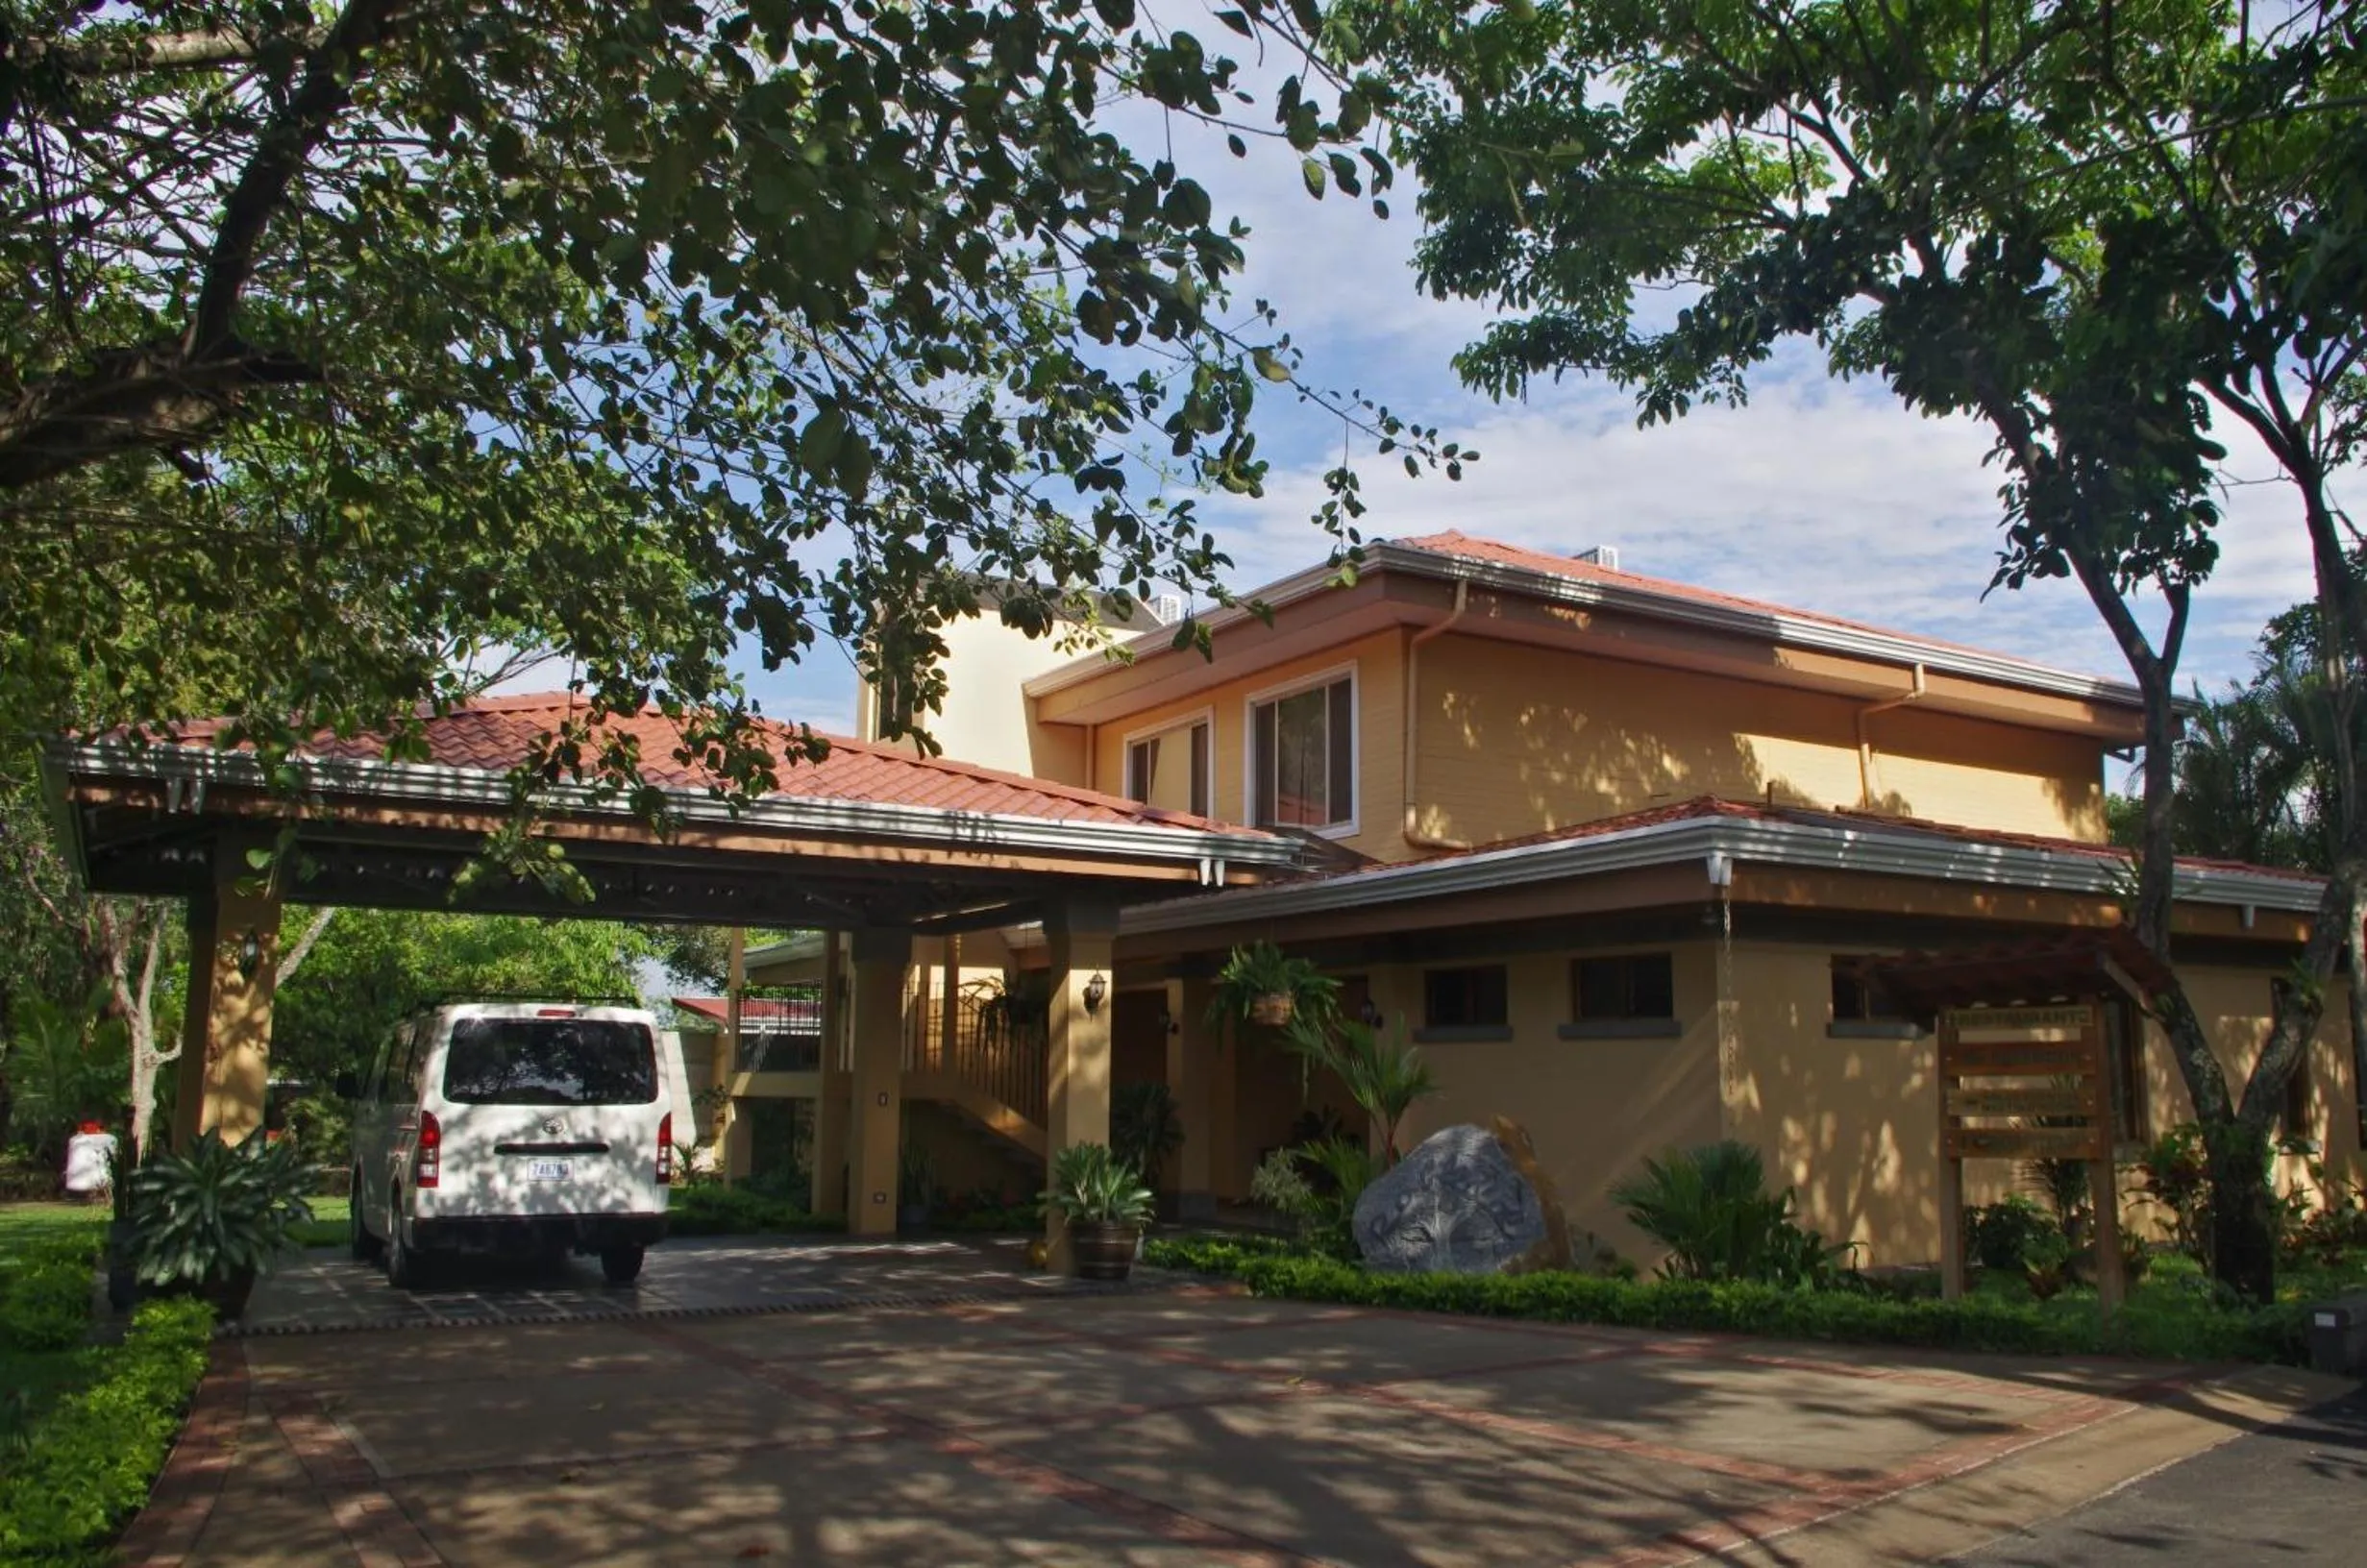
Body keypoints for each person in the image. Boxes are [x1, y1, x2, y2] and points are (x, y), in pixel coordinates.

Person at [63, 1118, 117, 1205]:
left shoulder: (76, 1140)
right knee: (103, 1183)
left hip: (96, 1170)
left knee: (101, 1183)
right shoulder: (108, 1138)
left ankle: (102, 1199)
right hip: (99, 1170)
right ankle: (104, 1199)